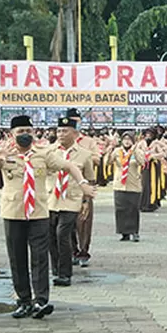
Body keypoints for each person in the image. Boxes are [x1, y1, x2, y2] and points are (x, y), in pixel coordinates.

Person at [0, 115, 96, 319]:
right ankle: (24, 301)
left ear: (34, 133)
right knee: (17, 258)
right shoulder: (6, 154)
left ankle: (41, 301)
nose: (25, 135)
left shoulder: (44, 154)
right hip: (13, 212)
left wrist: (83, 183)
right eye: (20, 132)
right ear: (12, 134)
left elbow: (70, 166)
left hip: (38, 212)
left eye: (28, 131)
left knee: (40, 258)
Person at [47, 117, 95, 287]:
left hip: (72, 200)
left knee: (63, 234)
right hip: (51, 199)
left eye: (65, 131)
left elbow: (89, 179)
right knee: (51, 235)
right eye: (59, 131)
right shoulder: (48, 152)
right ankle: (56, 269)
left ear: (75, 133)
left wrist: (86, 202)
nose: (60, 134)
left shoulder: (85, 155)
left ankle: (65, 273)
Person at [65, 108, 100, 267]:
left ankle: (83, 251)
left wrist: (81, 155)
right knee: (66, 221)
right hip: (64, 186)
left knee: (84, 220)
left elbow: (97, 159)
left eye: (78, 121)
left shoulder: (88, 142)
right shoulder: (60, 143)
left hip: (84, 185)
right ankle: (72, 250)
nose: (76, 124)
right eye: (73, 121)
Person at [111, 131, 147, 242]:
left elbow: (142, 163)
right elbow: (108, 162)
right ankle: (124, 233)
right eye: (125, 139)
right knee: (121, 209)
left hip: (133, 184)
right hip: (120, 184)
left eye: (129, 139)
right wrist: (110, 150)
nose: (127, 141)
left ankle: (134, 232)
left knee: (133, 209)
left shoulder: (137, 151)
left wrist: (135, 151)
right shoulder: (117, 151)